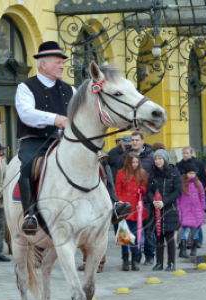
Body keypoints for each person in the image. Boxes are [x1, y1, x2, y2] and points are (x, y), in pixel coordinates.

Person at [15, 40, 131, 234]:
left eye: (62, 62)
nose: (62, 66)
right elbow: (25, 113)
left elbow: (84, 114)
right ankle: (30, 214)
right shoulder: (26, 87)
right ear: (43, 64)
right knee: (28, 163)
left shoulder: (70, 89)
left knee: (100, 158)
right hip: (35, 141)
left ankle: (114, 204)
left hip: (67, 141)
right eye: (57, 62)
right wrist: (55, 119)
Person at [118, 131, 156, 266]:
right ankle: (135, 256)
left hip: (145, 199)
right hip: (129, 203)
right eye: (132, 140)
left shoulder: (151, 156)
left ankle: (150, 255)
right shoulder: (124, 156)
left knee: (148, 230)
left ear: (142, 141)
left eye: (137, 140)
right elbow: (120, 181)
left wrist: (151, 194)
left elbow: (154, 178)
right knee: (129, 231)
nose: (134, 142)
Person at [147, 149, 182, 272]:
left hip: (169, 210)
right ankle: (159, 262)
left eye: (160, 159)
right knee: (158, 237)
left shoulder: (174, 172)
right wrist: (153, 201)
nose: (157, 161)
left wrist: (164, 201)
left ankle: (171, 263)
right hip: (156, 210)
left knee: (169, 237)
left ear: (165, 159)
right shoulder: (152, 174)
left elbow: (178, 191)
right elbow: (149, 190)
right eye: (156, 159)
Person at [116, 152, 147, 271]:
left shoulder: (141, 173)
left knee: (135, 235)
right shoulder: (120, 174)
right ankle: (125, 261)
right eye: (133, 162)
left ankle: (135, 260)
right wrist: (121, 206)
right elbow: (118, 191)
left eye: (136, 162)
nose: (135, 164)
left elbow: (145, 188)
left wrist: (142, 189)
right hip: (125, 208)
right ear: (128, 162)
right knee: (124, 236)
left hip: (136, 208)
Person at [176, 146, 206, 248]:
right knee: (185, 224)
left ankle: (198, 241)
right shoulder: (179, 165)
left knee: (197, 222)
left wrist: (196, 189)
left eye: (187, 153)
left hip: (196, 196)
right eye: (183, 153)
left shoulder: (198, 164)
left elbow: (204, 179)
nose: (185, 155)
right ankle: (184, 243)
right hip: (185, 199)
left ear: (191, 154)